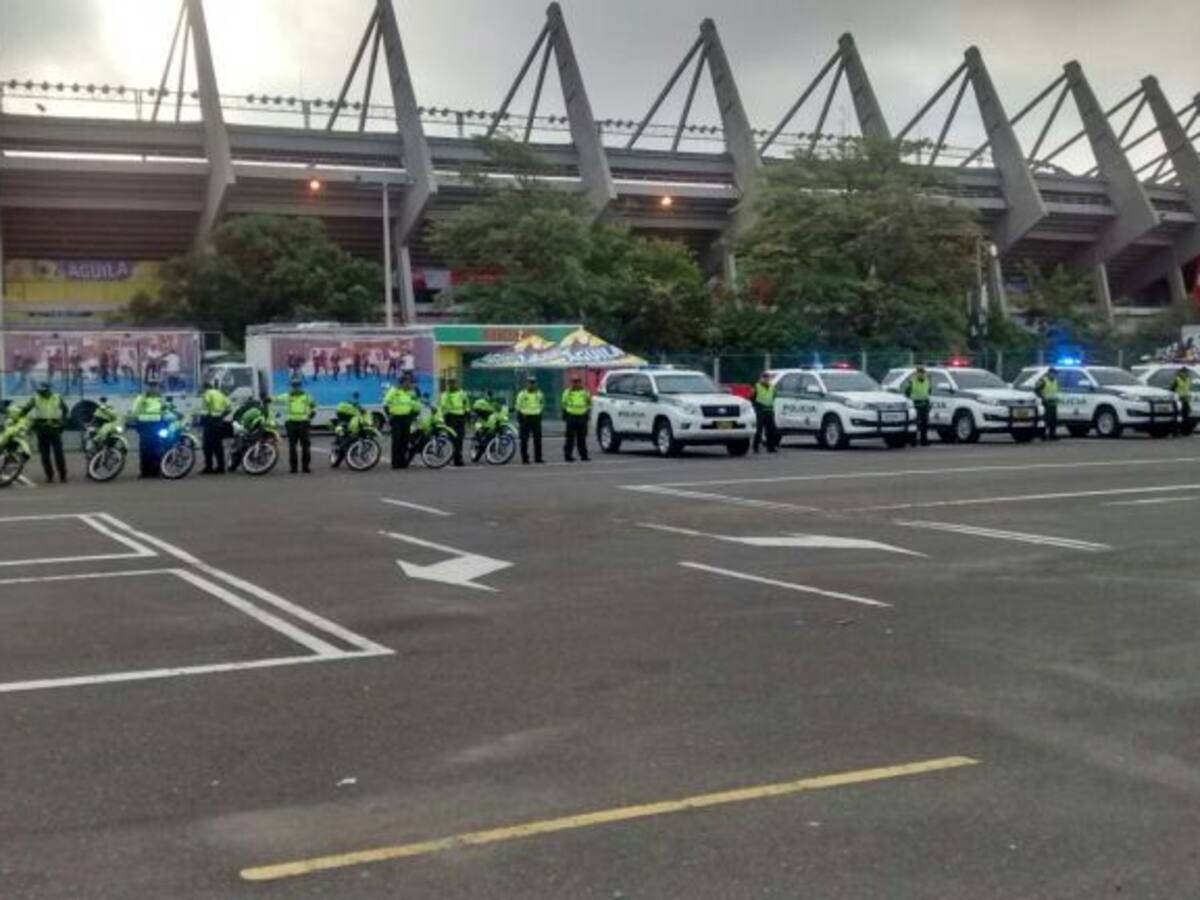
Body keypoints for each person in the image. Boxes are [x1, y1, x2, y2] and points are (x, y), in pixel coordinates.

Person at [16, 381, 68, 483]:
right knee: (45, 455)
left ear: (49, 390)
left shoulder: (57, 397)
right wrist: (17, 417)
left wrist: (63, 422)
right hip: (41, 429)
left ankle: (63, 475)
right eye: (40, 391)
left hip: (55, 428)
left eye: (43, 391)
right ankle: (49, 475)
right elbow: (26, 409)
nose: (41, 393)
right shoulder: (36, 398)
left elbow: (65, 410)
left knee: (59, 453)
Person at [275, 377, 317, 474]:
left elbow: (313, 405)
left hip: (304, 422)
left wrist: (313, 412)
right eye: (294, 386)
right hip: (291, 423)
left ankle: (305, 467)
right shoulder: (287, 396)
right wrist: (267, 398)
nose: (295, 388)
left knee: (305, 446)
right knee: (292, 446)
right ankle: (293, 468)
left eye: (297, 385)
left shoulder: (307, 396)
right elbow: (275, 399)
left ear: (300, 386)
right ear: (291, 386)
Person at [131, 378, 167, 477]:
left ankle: (156, 471)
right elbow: (135, 411)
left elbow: (166, 411)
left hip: (157, 425)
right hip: (145, 426)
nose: (154, 388)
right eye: (151, 386)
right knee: (145, 450)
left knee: (156, 449)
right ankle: (145, 472)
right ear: (148, 387)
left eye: (155, 386)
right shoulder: (141, 398)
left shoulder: (160, 399)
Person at [382, 373, 420, 469]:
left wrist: (413, 415)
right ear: (401, 383)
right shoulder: (394, 391)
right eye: (407, 382)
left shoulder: (410, 392)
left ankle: (403, 462)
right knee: (397, 441)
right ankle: (395, 463)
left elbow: (416, 403)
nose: (409, 384)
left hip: (406, 418)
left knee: (405, 441)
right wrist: (389, 415)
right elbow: (386, 403)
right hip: (396, 419)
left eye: (409, 382)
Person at [200, 380, 231, 474]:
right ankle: (221, 467)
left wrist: (202, 420)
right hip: (219, 422)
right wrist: (221, 416)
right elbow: (229, 408)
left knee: (207, 446)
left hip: (210, 422)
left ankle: (208, 467)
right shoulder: (220, 394)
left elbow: (206, 407)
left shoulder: (207, 393)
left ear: (205, 387)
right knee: (218, 446)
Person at [439, 376, 469, 467]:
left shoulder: (462, 393)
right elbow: (443, 406)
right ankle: (452, 456)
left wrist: (467, 412)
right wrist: (444, 417)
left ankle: (458, 458)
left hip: (460, 417)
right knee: (452, 438)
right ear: (448, 385)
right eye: (451, 383)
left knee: (460, 438)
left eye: (454, 383)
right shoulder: (445, 395)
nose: (453, 385)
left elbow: (466, 404)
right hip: (450, 418)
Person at [561, 374, 592, 463]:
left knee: (582, 437)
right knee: (570, 437)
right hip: (571, 416)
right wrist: (564, 414)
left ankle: (584, 455)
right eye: (574, 382)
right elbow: (563, 403)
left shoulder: (585, 392)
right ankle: (568, 455)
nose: (576, 383)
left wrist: (587, 414)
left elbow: (589, 403)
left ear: (580, 382)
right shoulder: (567, 392)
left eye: (577, 381)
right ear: (571, 383)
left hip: (582, 416)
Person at [516, 376, 545, 464]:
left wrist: (539, 413)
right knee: (524, 439)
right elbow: (518, 406)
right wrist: (521, 416)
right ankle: (525, 458)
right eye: (530, 383)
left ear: (535, 384)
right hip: (525, 417)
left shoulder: (539, 394)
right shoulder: (522, 394)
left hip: (536, 417)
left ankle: (538, 458)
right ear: (527, 384)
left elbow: (542, 403)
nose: (531, 385)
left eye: (533, 383)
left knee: (538, 439)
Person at [905, 366, 933, 446]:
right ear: (916, 374)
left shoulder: (927, 381)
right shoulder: (912, 381)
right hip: (915, 405)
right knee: (914, 424)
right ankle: (912, 441)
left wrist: (928, 404)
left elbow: (929, 392)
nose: (921, 374)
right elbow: (907, 393)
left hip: (925, 404)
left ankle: (924, 440)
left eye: (923, 373)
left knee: (925, 424)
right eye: (919, 373)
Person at [751, 372, 779, 453]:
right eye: (764, 377)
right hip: (760, 410)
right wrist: (756, 407)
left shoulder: (772, 387)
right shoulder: (757, 386)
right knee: (758, 430)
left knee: (772, 430)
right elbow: (752, 397)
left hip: (769, 410)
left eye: (767, 378)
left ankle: (771, 447)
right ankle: (755, 447)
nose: (766, 379)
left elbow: (774, 396)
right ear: (760, 378)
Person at [1035, 367, 1060, 441]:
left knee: (1053, 420)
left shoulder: (1055, 381)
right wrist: (1043, 398)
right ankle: (1042, 435)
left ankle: (1052, 434)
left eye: (1056, 374)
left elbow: (1056, 391)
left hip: (1053, 403)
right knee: (1045, 420)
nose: (1054, 375)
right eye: (1053, 373)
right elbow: (1037, 390)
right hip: (1045, 403)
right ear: (1049, 373)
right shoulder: (1043, 380)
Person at [1172, 367, 1193, 435]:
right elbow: (1172, 389)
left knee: (1186, 416)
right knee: (1178, 416)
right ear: (1180, 372)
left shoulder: (1188, 379)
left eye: (1187, 372)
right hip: (1178, 400)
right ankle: (1176, 431)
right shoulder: (1177, 379)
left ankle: (1185, 431)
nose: (1186, 373)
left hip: (1186, 400)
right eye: (1184, 372)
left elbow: (1188, 389)